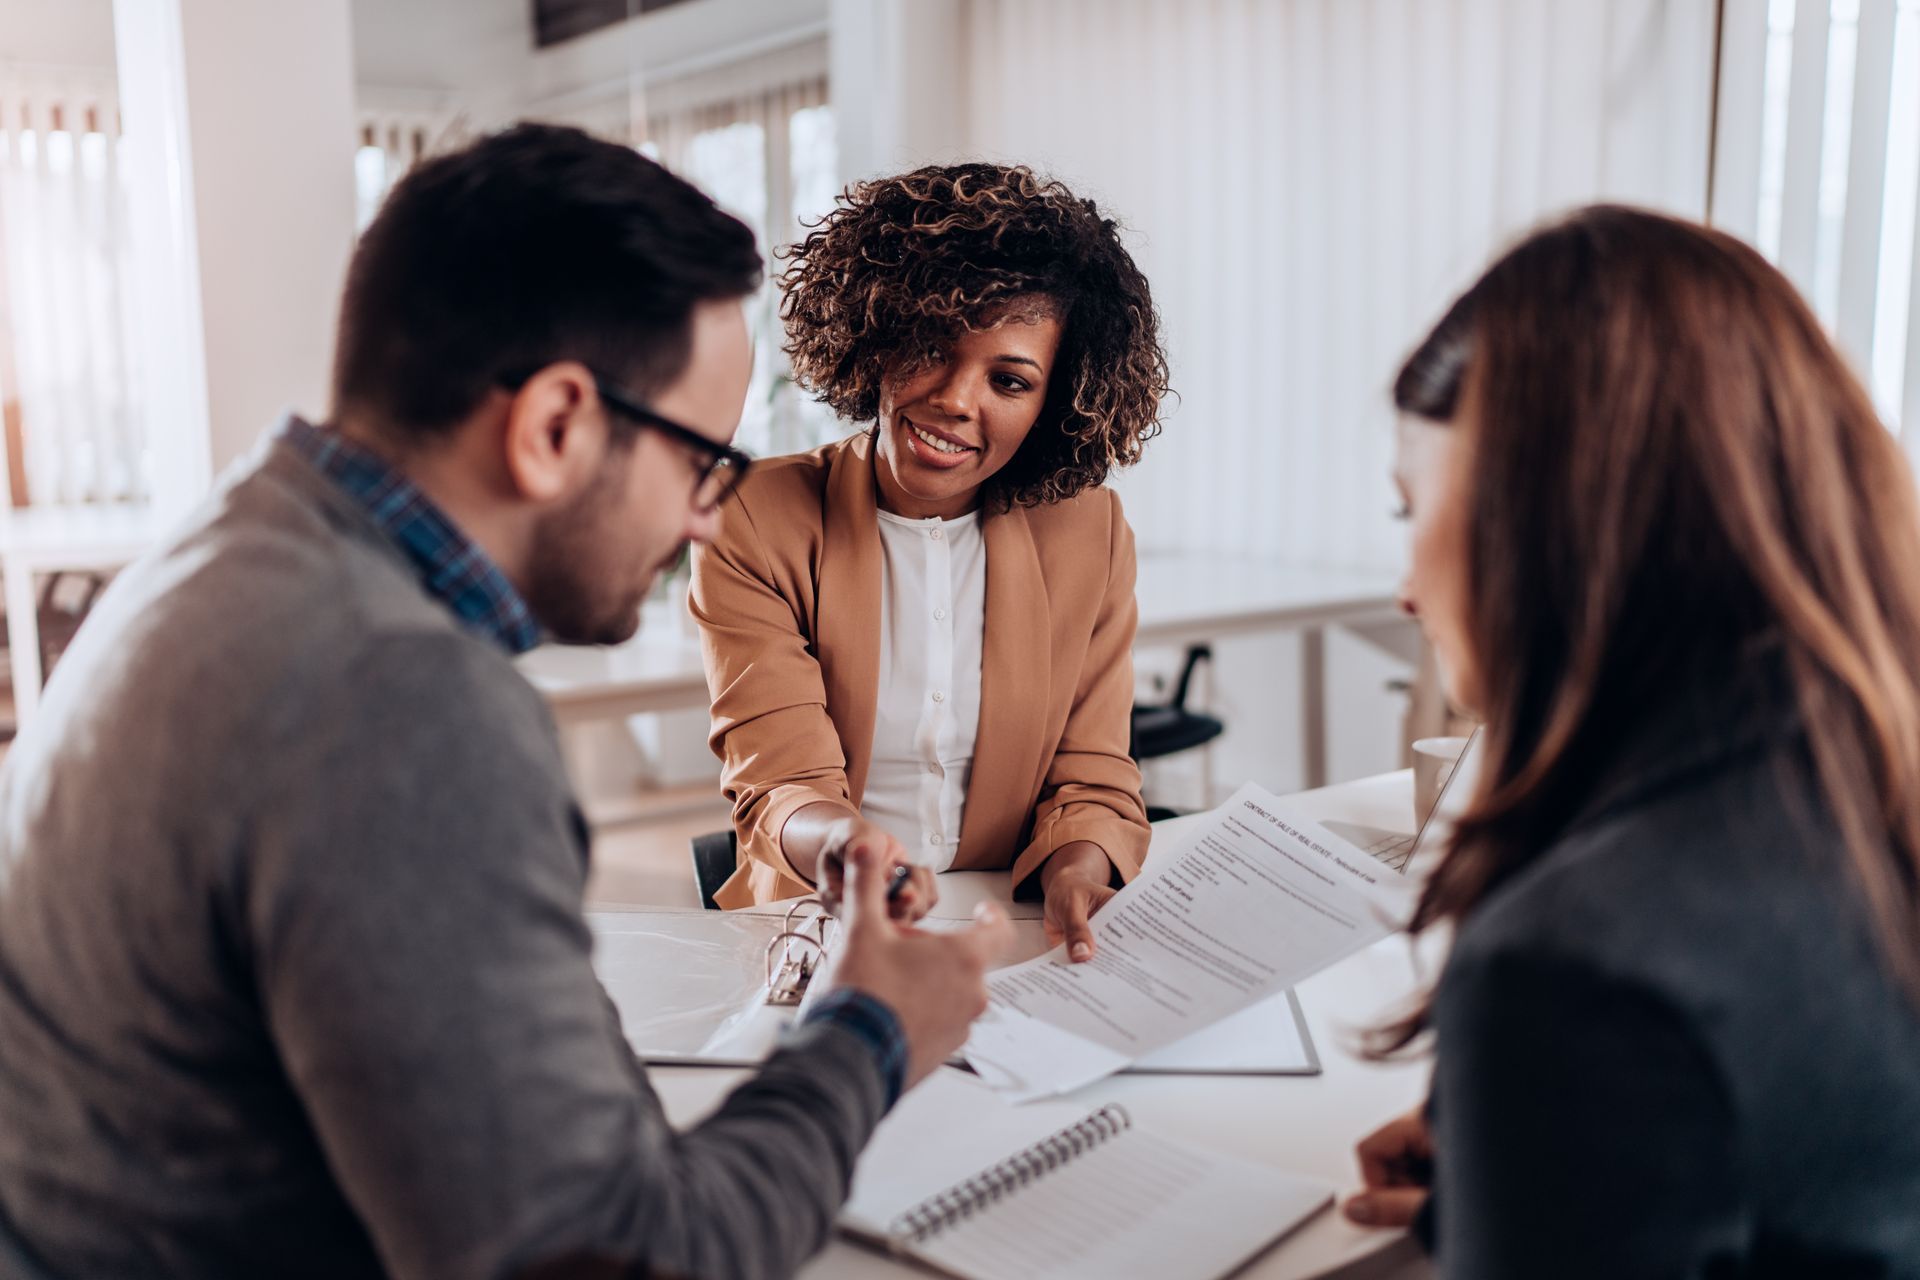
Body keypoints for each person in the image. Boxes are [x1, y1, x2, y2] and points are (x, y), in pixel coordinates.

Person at [0, 124, 1010, 1280]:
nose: (708, 520)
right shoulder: (398, 702)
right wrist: (869, 1033)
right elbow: (612, 1260)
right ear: (554, 427)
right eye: (701, 462)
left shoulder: (223, 552)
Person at [1342, 205, 1920, 1275]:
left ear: (1548, 520)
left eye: (1411, 509)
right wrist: (1539, 1183)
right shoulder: (1868, 772)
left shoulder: (1573, 966)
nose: (1407, 589)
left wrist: (1558, 1110)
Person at [690, 162, 1170, 962]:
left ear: (1053, 405)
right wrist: (854, 855)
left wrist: (1081, 867)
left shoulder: (1089, 531)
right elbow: (781, 783)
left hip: (1016, 935)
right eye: (931, 346)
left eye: (1009, 380)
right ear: (876, 336)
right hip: (823, 923)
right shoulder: (753, 517)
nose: (955, 398)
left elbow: (1091, 774)